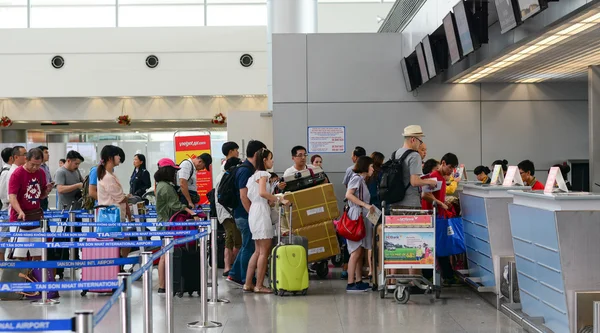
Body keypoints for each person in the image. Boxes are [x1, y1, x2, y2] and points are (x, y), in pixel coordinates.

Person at [244, 148, 290, 293]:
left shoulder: (253, 176)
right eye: (271, 158)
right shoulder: (263, 174)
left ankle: (248, 283)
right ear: (264, 160)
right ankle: (259, 285)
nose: (272, 161)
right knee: (264, 251)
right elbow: (263, 193)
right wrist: (279, 199)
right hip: (261, 212)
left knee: (257, 251)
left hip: (254, 211)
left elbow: (259, 194)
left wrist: (272, 197)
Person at [154, 158, 200, 293]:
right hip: (167, 223)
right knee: (164, 254)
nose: (175, 174)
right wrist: (190, 210)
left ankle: (163, 284)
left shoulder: (162, 185)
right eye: (174, 171)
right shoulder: (166, 187)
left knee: (165, 253)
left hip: (164, 222)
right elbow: (175, 205)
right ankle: (162, 285)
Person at [227, 140, 267, 286]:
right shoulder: (245, 170)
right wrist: (252, 214)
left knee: (246, 245)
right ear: (257, 153)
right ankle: (246, 278)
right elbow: (244, 196)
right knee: (249, 246)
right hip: (245, 214)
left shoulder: (249, 169)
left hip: (245, 214)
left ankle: (235, 274)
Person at [8, 148, 53, 261]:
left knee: (38, 254)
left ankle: (34, 278)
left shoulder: (41, 173)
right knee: (20, 255)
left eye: (38, 165)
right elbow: (12, 196)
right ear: (26, 159)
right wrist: (20, 211)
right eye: (32, 164)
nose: (35, 168)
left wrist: (47, 191)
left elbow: (40, 195)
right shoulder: (17, 174)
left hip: (35, 218)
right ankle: (21, 278)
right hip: (20, 219)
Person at [421, 153, 459, 285]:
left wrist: (443, 202)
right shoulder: (434, 177)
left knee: (439, 247)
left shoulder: (441, 178)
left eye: (453, 168)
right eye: (450, 167)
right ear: (443, 163)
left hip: (439, 215)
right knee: (435, 247)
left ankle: (445, 276)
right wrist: (440, 203)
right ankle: (443, 276)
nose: (451, 171)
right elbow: (425, 194)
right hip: (433, 216)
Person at [345, 156, 375, 292]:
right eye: (371, 166)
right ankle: (351, 283)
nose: (373, 169)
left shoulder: (362, 180)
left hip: (361, 215)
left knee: (359, 250)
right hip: (357, 215)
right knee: (356, 251)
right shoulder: (357, 179)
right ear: (365, 166)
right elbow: (349, 195)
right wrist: (365, 205)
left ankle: (358, 280)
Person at [97, 145, 132, 258]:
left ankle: (119, 268)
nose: (119, 158)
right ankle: (118, 269)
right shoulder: (108, 177)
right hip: (113, 217)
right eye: (117, 155)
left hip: (116, 216)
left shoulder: (110, 175)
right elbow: (120, 197)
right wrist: (128, 197)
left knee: (122, 244)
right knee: (122, 244)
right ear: (110, 158)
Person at [393, 126, 437, 209]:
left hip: (395, 202)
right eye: (420, 141)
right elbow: (414, 181)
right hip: (410, 203)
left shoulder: (396, 153)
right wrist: (430, 182)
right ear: (413, 139)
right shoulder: (414, 156)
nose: (420, 144)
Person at [215, 157, 243, 277]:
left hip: (225, 212)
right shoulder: (228, 177)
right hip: (229, 213)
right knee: (235, 240)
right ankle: (233, 268)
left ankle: (229, 267)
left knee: (230, 239)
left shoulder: (223, 175)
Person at [366, 152, 384, 280]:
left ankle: (371, 270)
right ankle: (379, 268)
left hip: (370, 209)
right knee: (380, 239)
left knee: (371, 241)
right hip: (379, 208)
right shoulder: (381, 174)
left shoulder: (368, 175)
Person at [0, 147, 12, 260]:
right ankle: (1, 258)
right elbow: (4, 195)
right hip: (6, 209)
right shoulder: (6, 173)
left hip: (11, 209)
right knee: (5, 233)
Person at [36, 146, 53, 211]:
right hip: (38, 197)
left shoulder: (46, 167)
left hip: (45, 196)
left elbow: (49, 179)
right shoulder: (37, 168)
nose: (48, 154)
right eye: (46, 152)